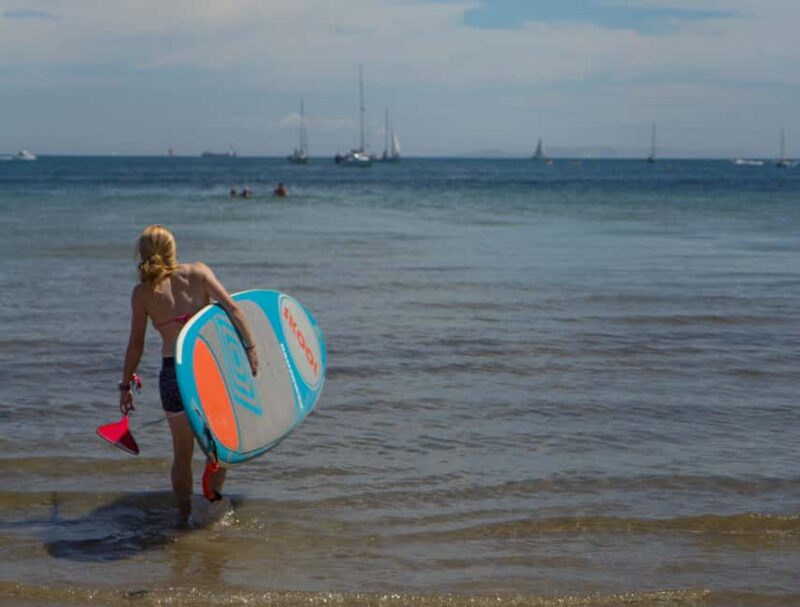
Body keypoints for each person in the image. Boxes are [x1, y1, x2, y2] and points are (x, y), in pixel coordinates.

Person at [118, 225, 259, 522]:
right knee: (218, 447)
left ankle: (183, 518)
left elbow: (136, 345)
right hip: (205, 370)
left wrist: (125, 385)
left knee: (182, 453)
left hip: (173, 374)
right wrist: (250, 350)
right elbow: (233, 309)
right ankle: (211, 506)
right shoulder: (198, 273)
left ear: (143, 253)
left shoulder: (142, 294)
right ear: (172, 249)